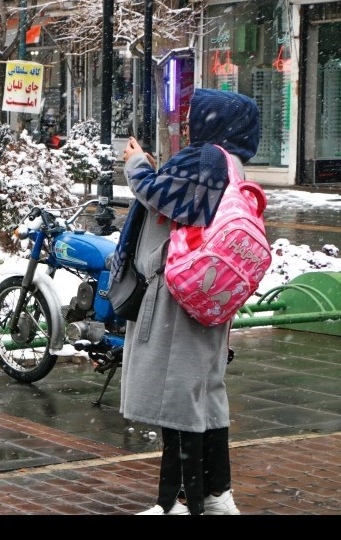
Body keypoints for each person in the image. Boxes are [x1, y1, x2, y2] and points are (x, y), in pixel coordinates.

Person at [113, 88, 260, 515]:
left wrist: (137, 165)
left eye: (197, 114)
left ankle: (180, 504)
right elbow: (190, 205)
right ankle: (216, 495)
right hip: (205, 292)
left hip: (177, 295)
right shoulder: (229, 163)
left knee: (176, 401)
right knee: (203, 397)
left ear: (217, 122)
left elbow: (164, 198)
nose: (189, 120)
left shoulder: (207, 158)